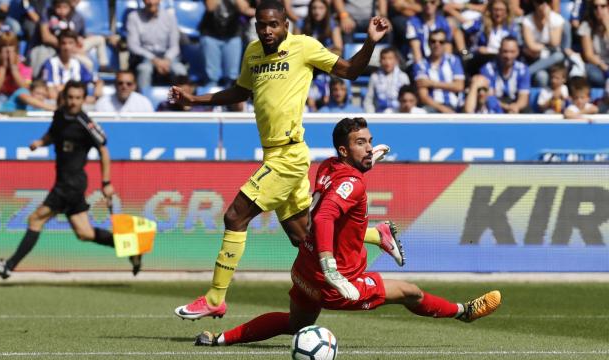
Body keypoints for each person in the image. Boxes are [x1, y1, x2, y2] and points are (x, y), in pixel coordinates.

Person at [168, 0, 403, 320]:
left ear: (286, 24)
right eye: (261, 25)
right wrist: (193, 99)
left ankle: (214, 298)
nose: (267, 31)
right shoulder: (252, 52)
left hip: (288, 155)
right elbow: (239, 92)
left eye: (273, 24)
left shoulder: (304, 47)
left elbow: (350, 71)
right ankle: (377, 235)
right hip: (273, 153)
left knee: (236, 216)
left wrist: (370, 42)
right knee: (303, 237)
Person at [193, 118, 502, 347]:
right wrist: (331, 268)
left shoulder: (328, 165)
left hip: (304, 271)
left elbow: (341, 182)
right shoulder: (353, 184)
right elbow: (326, 216)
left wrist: (371, 158)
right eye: (361, 143)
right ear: (344, 149)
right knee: (411, 292)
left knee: (294, 323)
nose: (368, 147)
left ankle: (220, 339)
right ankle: (464, 311)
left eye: (369, 141)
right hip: (335, 280)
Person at [0, 80, 142, 279]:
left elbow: (103, 149)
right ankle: (132, 248)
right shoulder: (59, 115)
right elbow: (53, 133)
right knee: (84, 233)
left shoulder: (86, 123)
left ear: (84, 100)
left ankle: (8, 266)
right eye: (70, 97)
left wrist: (106, 182)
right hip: (65, 182)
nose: (73, 102)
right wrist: (40, 142)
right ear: (64, 97)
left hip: (71, 184)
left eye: (78, 98)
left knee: (35, 219)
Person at [126, 0, 187, 92]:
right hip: (145, 57)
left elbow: (174, 46)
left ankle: (182, 103)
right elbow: (133, 46)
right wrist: (153, 59)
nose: (151, 2)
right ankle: (144, 99)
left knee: (180, 70)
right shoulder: (133, 17)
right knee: (144, 70)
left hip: (168, 57)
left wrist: (166, 59)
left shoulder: (170, 17)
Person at [200, 0, 254, 88]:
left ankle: (230, 98)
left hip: (233, 35)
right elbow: (210, 7)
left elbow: (243, 8)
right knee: (211, 77)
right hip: (210, 34)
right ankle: (210, 97)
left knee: (231, 77)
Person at [40, 29, 102, 101]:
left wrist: (98, 88)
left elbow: (97, 80)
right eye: (64, 43)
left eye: (70, 43)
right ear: (59, 45)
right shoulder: (49, 64)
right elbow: (51, 94)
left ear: (75, 45)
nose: (67, 47)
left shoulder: (78, 64)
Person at [413, 29, 465, 113]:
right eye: (433, 41)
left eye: (441, 42)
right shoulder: (421, 64)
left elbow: (459, 86)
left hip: (454, 106)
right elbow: (423, 96)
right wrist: (445, 110)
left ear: (445, 44)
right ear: (428, 43)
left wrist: (432, 83)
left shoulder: (454, 60)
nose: (437, 45)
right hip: (432, 108)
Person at [0, 31, 32, 110]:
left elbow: (25, 88)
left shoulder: (25, 64)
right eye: (4, 47)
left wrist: (13, 68)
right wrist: (2, 67)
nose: (8, 52)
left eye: (11, 47)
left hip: (18, 97)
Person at [478, 36, 529, 114]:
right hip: (495, 107)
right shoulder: (488, 69)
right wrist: (506, 107)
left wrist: (516, 107)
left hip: (515, 105)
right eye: (505, 51)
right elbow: (489, 97)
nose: (508, 56)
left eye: (512, 52)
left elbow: (523, 97)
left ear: (518, 52)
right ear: (499, 51)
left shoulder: (523, 69)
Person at [521, 0, 565, 87]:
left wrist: (548, 20)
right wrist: (546, 47)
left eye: (547, 2)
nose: (544, 5)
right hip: (536, 59)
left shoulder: (556, 19)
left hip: (553, 60)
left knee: (558, 56)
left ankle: (525, 73)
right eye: (540, 2)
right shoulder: (527, 20)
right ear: (534, 3)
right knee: (541, 76)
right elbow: (531, 46)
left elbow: (555, 42)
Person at [363, 47, 410, 113]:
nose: (387, 62)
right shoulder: (374, 77)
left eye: (390, 58)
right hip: (379, 114)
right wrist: (372, 115)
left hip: (399, 114)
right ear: (380, 61)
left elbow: (408, 97)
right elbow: (368, 100)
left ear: (396, 60)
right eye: (384, 58)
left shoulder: (403, 77)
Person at [578, 0, 609, 88]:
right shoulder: (586, 26)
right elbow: (589, 55)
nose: (599, 10)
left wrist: (607, 26)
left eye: (602, 6)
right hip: (597, 64)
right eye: (596, 7)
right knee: (596, 77)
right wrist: (603, 66)